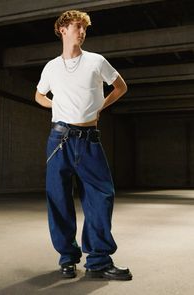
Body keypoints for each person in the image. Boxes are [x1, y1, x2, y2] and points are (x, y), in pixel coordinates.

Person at [35, 10, 132, 280]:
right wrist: (56, 104)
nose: (82, 32)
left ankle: (99, 261)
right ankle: (67, 258)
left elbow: (121, 87)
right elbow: (38, 94)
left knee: (101, 196)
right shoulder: (52, 67)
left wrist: (100, 107)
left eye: (85, 29)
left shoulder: (96, 61)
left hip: (89, 140)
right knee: (59, 199)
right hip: (59, 140)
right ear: (62, 30)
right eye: (78, 27)